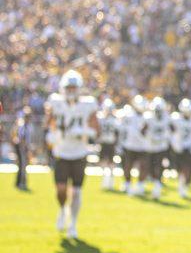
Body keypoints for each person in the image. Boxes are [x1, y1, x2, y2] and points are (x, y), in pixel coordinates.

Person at [44, 70, 98, 239]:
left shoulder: (88, 104)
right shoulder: (55, 102)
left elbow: (96, 131)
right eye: (69, 87)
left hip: (79, 153)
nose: (71, 91)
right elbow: (49, 124)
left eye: (74, 87)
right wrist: (51, 135)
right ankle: (61, 210)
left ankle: (73, 223)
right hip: (61, 151)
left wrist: (83, 131)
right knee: (61, 190)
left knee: (76, 192)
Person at [118, 95, 149, 196]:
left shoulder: (147, 117)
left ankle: (140, 185)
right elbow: (123, 130)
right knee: (127, 166)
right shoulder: (128, 115)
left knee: (143, 167)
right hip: (130, 145)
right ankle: (127, 184)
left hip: (142, 146)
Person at [170, 99, 191, 199]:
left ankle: (184, 186)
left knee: (187, 168)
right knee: (180, 169)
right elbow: (172, 131)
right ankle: (182, 184)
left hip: (189, 148)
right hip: (179, 147)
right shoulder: (176, 119)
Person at [144, 96, 170, 200]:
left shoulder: (167, 118)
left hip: (161, 146)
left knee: (159, 167)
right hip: (150, 146)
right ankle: (156, 184)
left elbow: (173, 130)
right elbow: (142, 130)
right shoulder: (148, 118)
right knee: (150, 168)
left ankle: (157, 186)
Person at [96, 97, 119, 190]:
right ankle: (107, 180)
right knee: (105, 163)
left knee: (109, 163)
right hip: (106, 142)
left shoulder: (106, 119)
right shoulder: (112, 120)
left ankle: (108, 181)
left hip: (109, 143)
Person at [12, 106, 32, 191]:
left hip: (23, 147)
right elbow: (22, 138)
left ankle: (19, 182)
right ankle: (22, 183)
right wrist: (25, 149)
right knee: (23, 165)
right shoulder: (23, 125)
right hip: (22, 148)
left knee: (22, 165)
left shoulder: (26, 125)